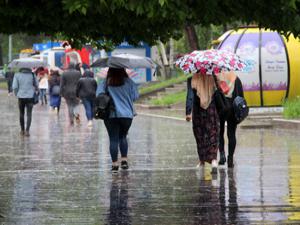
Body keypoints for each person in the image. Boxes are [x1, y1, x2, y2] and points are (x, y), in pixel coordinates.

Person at [96, 67, 139, 173]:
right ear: (123, 71)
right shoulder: (129, 82)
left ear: (109, 71)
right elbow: (135, 96)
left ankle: (114, 164)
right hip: (126, 115)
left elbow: (98, 95)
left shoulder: (105, 82)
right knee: (123, 136)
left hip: (110, 114)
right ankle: (124, 160)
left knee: (113, 139)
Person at [186, 73, 219, 174]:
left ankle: (202, 161)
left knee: (200, 136)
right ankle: (213, 160)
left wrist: (188, 112)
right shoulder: (213, 77)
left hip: (198, 111)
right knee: (212, 134)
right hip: (212, 111)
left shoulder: (192, 79)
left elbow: (190, 96)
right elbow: (219, 93)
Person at [217, 71, 244, 168]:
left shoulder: (218, 78)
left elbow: (215, 95)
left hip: (221, 108)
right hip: (233, 109)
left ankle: (222, 155)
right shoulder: (236, 79)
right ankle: (230, 158)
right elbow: (241, 97)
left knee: (220, 133)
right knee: (231, 134)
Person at [12, 68, 39, 137]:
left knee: (21, 113)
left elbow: (14, 86)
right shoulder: (32, 75)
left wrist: (17, 94)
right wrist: (36, 89)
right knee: (29, 114)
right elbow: (37, 84)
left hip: (21, 97)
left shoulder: (17, 75)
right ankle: (27, 131)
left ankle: (22, 130)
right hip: (30, 96)